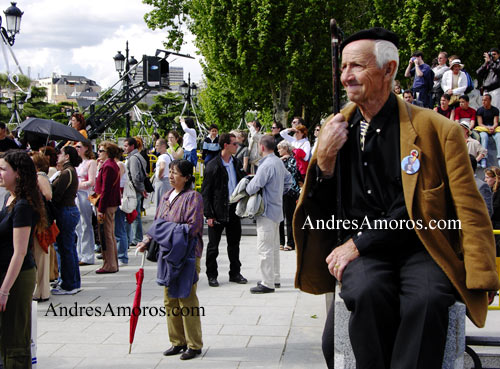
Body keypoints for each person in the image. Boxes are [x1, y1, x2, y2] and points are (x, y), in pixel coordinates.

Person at [293, 28, 499, 369]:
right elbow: (319, 206)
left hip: (423, 247)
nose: (346, 76)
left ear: (389, 70)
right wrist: (324, 164)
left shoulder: (439, 130)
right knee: (366, 291)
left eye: (356, 66)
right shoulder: (335, 129)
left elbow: (470, 210)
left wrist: (483, 276)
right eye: (343, 67)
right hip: (364, 255)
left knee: (431, 297)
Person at [137, 159, 204, 361]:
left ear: (186, 177)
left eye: (175, 173)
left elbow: (193, 227)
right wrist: (147, 240)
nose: (171, 176)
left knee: (186, 298)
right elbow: (157, 222)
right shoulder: (166, 196)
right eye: (170, 172)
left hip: (187, 254)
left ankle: (194, 344)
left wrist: (164, 230)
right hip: (167, 253)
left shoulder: (194, 197)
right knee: (169, 299)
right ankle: (177, 341)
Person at [0, 150, 46, 368]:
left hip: (17, 277)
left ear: (17, 173)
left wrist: (4, 289)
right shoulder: (11, 199)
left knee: (15, 338)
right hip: (8, 273)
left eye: (3, 169)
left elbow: (19, 253)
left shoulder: (23, 205)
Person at [246, 135, 291, 294]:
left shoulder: (266, 165)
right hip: (276, 209)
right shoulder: (278, 162)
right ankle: (275, 278)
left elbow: (253, 187)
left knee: (264, 248)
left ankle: (267, 282)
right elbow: (289, 180)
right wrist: (278, 193)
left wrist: (248, 183)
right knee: (273, 247)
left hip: (266, 210)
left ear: (262, 147)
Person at [201, 133, 247, 287]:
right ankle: (212, 275)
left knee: (234, 244)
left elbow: (243, 181)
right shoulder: (213, 165)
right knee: (213, 246)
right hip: (217, 210)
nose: (237, 146)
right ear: (225, 145)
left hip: (234, 208)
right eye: (234, 144)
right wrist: (208, 214)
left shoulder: (236, 162)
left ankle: (235, 273)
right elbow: (206, 192)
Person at [51, 145, 82, 295]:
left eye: (60, 153)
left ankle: (69, 284)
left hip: (66, 211)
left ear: (67, 156)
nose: (58, 156)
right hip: (69, 211)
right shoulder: (68, 171)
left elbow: (57, 195)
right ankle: (73, 282)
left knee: (65, 248)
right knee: (68, 248)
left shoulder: (66, 172)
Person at [94, 141, 121, 274]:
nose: (98, 153)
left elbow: (105, 190)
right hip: (111, 203)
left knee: (106, 234)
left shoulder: (108, 166)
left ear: (108, 152)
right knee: (109, 233)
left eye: (101, 151)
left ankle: (109, 264)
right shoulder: (111, 165)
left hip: (107, 204)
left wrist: (101, 209)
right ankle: (111, 262)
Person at [31, 152, 53, 303]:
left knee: (41, 255)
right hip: (41, 221)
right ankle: (41, 290)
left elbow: (48, 195)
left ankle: (43, 291)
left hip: (42, 221)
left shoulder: (40, 177)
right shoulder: (38, 177)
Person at [277, 140, 301, 251]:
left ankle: (291, 243)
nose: (278, 151)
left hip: (290, 192)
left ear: (286, 149)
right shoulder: (278, 161)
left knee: (290, 218)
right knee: (279, 218)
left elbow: (292, 173)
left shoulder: (292, 160)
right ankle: (280, 242)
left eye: (280, 148)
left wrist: (282, 161)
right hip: (279, 192)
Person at [75, 141, 96, 266]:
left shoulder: (91, 162)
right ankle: (80, 253)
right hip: (76, 195)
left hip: (85, 194)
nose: (77, 149)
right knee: (78, 226)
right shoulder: (79, 162)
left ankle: (87, 255)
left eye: (79, 147)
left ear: (86, 148)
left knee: (85, 224)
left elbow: (91, 181)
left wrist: (77, 185)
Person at [123, 137, 147, 246]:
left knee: (131, 214)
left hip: (133, 190)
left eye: (126, 146)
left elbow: (135, 176)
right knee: (135, 214)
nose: (124, 148)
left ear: (132, 146)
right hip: (137, 189)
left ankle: (133, 238)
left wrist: (140, 189)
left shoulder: (133, 158)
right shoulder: (139, 156)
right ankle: (135, 237)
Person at [474, 94, 500, 168]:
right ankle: (483, 158)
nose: (483, 101)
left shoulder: (495, 110)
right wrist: (488, 128)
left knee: (499, 136)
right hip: (484, 128)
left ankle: (499, 157)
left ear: (490, 100)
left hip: (493, 128)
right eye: (482, 100)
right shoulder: (480, 110)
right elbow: (480, 123)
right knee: (484, 136)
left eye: (485, 100)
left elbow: (496, 122)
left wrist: (493, 127)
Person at [485, 167, 500, 256]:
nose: (485, 180)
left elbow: (494, 208)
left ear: (495, 178)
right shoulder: (490, 190)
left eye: (487, 177)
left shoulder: (498, 192)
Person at [154, 138, 172, 208]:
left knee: (160, 204)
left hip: (162, 181)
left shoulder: (162, 157)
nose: (156, 147)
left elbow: (162, 167)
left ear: (163, 146)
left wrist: (159, 176)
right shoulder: (169, 156)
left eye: (157, 145)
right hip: (168, 181)